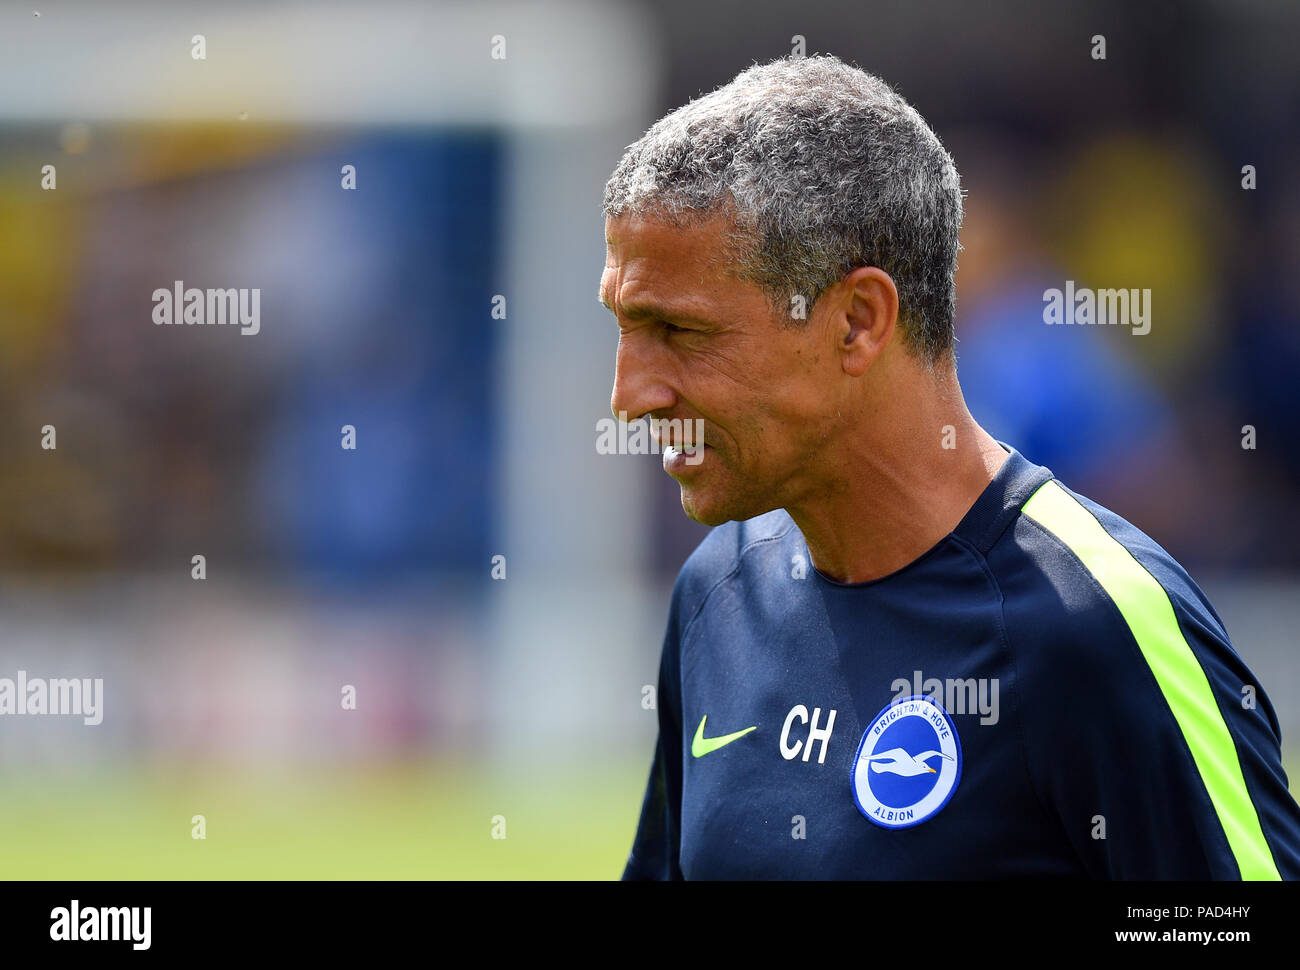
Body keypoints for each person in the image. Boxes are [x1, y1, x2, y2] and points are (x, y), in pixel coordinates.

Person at [598, 54, 1300, 878]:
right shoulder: (716, 593)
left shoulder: (1096, 627)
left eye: (679, 333)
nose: (629, 396)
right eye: (623, 326)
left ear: (858, 321)